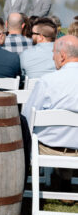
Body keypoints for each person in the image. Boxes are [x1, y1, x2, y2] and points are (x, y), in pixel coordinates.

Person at [23, 35, 78, 182]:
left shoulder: (48, 81)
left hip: (48, 148)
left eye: (53, 53)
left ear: (62, 56)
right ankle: (63, 178)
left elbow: (28, 116)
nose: (52, 57)